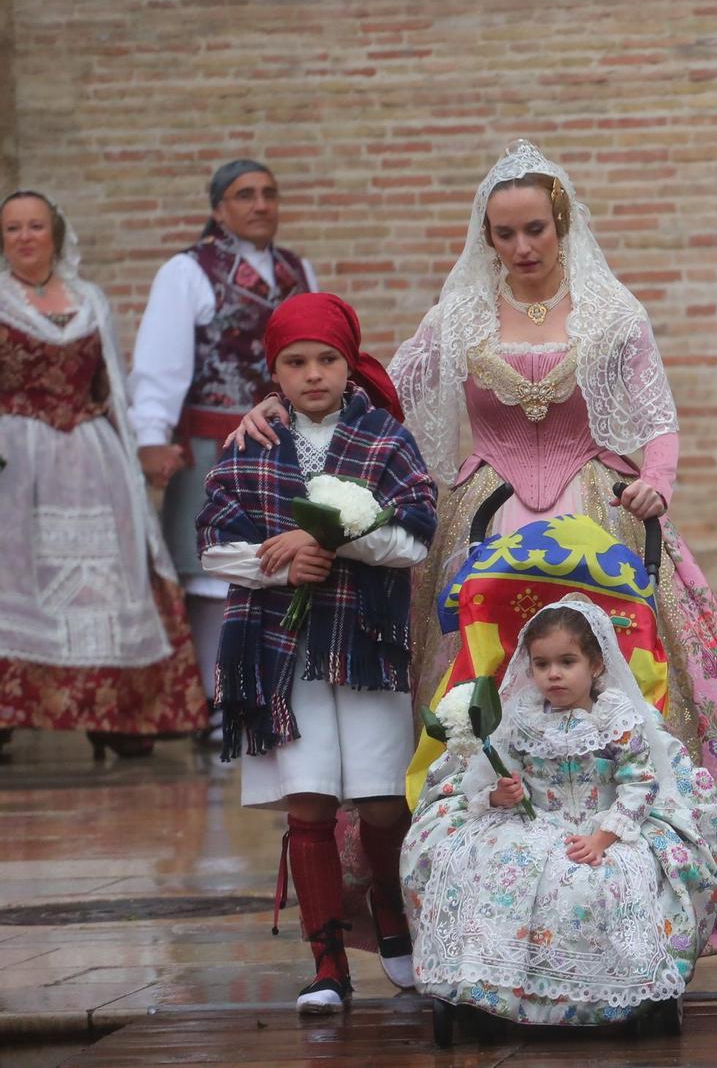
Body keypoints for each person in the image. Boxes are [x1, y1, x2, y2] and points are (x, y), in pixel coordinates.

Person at [230, 139, 717, 952]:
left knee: (627, 687)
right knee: (477, 694)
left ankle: (640, 887)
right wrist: (273, 404)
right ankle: (484, 894)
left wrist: (656, 482)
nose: (521, 247)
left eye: (535, 230)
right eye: (504, 234)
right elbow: (372, 391)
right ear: (487, 238)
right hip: (485, 519)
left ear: (561, 224)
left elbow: (657, 422)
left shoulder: (615, 312)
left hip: (598, 515)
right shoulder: (460, 315)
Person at [198, 293, 437, 1015]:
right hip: (281, 654)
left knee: (380, 798)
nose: (312, 374)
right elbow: (214, 545)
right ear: (274, 369)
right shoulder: (249, 444)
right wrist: (280, 564)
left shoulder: (385, 439)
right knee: (308, 803)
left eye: (326, 359)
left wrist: (331, 538)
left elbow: (416, 535)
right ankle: (327, 957)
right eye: (295, 362)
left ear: (349, 361)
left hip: (365, 645)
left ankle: (390, 911)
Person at [402, 597, 717, 1031]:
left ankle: (620, 988)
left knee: (603, 881)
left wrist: (604, 837)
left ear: (594, 665)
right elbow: (487, 782)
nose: (553, 674)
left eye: (566, 661)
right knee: (496, 869)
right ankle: (491, 983)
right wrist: (502, 794)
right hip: (532, 825)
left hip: (606, 825)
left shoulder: (619, 718)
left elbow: (640, 782)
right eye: (541, 664)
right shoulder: (519, 720)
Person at [0, 191, 207, 757]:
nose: (24, 237)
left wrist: (139, 450)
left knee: (108, 578)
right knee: (16, 580)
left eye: (34, 226)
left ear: (55, 233)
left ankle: (118, 714)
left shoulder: (90, 300)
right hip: (13, 461)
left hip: (92, 459)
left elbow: (112, 384)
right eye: (13, 228)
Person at [132, 160, 315, 733]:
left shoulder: (297, 269)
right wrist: (151, 437)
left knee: (288, 565)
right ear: (218, 209)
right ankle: (217, 703)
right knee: (214, 573)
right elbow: (161, 362)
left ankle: (277, 694)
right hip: (218, 447)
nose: (260, 204)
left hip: (290, 446)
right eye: (244, 195)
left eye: (269, 193)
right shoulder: (187, 272)